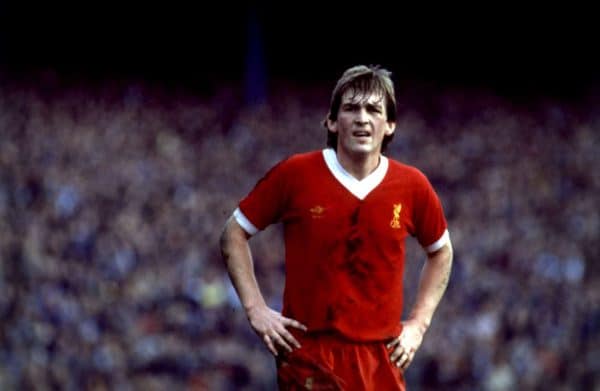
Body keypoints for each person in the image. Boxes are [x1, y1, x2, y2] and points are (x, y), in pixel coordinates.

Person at [220, 64, 453, 390]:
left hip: (380, 358)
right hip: (310, 357)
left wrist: (418, 325)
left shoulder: (412, 186)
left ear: (389, 125)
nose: (362, 118)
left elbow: (441, 252)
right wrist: (255, 309)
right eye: (351, 108)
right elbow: (233, 233)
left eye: (373, 110)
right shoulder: (296, 174)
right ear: (332, 121)